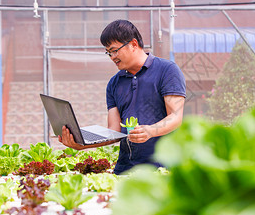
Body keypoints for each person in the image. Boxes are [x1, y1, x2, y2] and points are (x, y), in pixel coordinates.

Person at [59, 19, 186, 174]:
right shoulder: (114, 83)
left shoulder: (167, 70)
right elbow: (114, 131)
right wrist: (82, 143)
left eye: (114, 50)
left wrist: (151, 131)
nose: (112, 57)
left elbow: (175, 117)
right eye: (108, 52)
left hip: (161, 168)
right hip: (125, 169)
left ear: (133, 44)